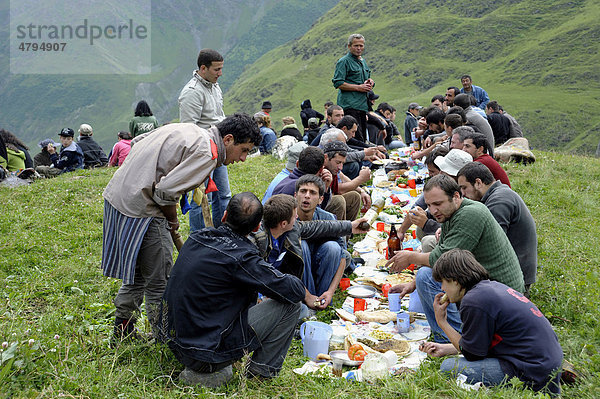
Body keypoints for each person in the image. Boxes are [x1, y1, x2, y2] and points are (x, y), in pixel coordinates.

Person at [101, 114, 261, 340]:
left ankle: (122, 330)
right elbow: (164, 192)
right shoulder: (206, 153)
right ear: (228, 139)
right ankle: (163, 338)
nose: (243, 158)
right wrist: (172, 219)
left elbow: (138, 142)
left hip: (119, 195)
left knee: (137, 273)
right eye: (244, 150)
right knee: (159, 280)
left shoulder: (190, 130)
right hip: (143, 208)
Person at [162, 192, 305, 387]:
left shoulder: (197, 236)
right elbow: (294, 291)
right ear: (256, 227)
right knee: (292, 307)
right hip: (205, 355)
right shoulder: (243, 258)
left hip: (173, 340)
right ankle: (260, 372)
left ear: (224, 216)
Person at [386, 175, 524, 342]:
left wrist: (410, 257)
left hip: (501, 290)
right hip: (484, 281)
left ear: (456, 196)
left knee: (426, 276)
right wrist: (412, 284)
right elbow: (442, 255)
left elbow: (441, 258)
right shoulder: (452, 214)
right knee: (423, 276)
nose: (433, 210)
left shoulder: (471, 214)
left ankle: (451, 337)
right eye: (429, 205)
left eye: (438, 204)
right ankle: (447, 332)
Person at [423, 249, 562, 396]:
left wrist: (441, 321)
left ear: (455, 280)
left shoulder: (473, 302)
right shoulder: (489, 288)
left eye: (443, 282)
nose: (442, 288)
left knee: (448, 367)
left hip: (531, 369)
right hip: (548, 360)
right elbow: (481, 344)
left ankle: (525, 385)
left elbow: (472, 355)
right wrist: (448, 348)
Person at [250, 194, 368, 310]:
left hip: (278, 286)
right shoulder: (257, 242)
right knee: (300, 311)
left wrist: (350, 226)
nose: (296, 217)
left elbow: (319, 227)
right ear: (284, 224)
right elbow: (254, 276)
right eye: (294, 215)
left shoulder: (289, 230)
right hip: (259, 295)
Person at [457, 162, 537, 295]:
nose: (463, 194)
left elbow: (487, 243)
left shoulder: (499, 201)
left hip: (515, 280)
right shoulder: (497, 193)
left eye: (464, 188)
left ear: (478, 183)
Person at [178, 49, 230, 231]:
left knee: (223, 195)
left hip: (220, 148)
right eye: (216, 69)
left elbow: (218, 116)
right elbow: (188, 129)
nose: (220, 73)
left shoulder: (215, 86)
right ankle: (199, 237)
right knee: (200, 198)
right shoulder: (191, 93)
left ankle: (221, 232)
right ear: (203, 68)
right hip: (203, 151)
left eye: (221, 69)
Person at [295, 175, 348, 306]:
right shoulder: (289, 218)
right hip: (297, 273)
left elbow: (342, 257)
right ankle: (309, 300)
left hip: (321, 265)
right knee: (302, 246)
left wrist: (330, 292)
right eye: (303, 191)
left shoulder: (328, 218)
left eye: (312, 193)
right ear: (295, 195)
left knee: (333, 247)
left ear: (320, 199)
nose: (307, 196)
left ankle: (323, 298)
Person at [332, 33, 374, 143]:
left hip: (362, 106)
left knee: (363, 138)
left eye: (361, 45)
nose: (359, 48)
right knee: (355, 139)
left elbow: (365, 79)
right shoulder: (344, 61)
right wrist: (359, 88)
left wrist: (370, 82)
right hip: (350, 106)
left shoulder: (363, 61)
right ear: (349, 46)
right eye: (356, 46)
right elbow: (338, 83)